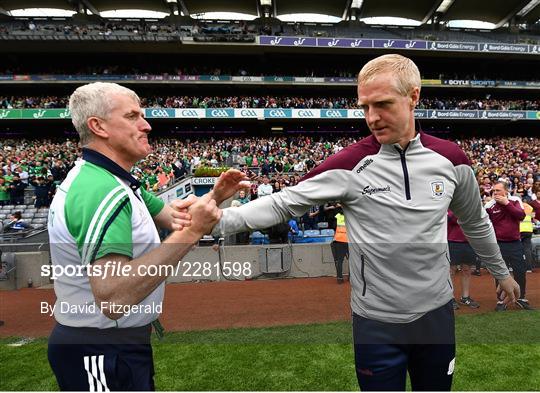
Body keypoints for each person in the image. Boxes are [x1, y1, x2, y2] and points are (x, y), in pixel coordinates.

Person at [210, 54, 519, 391]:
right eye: (365, 107)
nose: (372, 118)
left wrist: (501, 272)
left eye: (383, 104)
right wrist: (216, 221)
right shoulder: (349, 164)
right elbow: (284, 204)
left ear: (414, 96)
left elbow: (475, 222)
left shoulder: (452, 159)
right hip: (376, 322)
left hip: (436, 316)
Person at [46, 82, 244, 391]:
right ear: (98, 126)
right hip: (101, 348)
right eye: (132, 116)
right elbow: (113, 297)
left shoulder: (115, 181)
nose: (146, 124)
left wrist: (215, 197)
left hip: (113, 343)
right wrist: (194, 232)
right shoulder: (101, 190)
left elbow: (178, 219)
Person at [485, 181, 533, 311]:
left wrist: (506, 204)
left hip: (515, 243)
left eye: (498, 190)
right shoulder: (489, 205)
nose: (495, 193)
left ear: (506, 191)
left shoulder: (515, 200)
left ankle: (521, 298)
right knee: (500, 273)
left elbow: (521, 216)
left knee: (520, 271)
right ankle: (501, 301)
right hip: (498, 244)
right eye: (493, 191)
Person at [447, 210, 479, 310]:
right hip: (452, 241)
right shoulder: (449, 207)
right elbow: (453, 219)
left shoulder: (469, 206)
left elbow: (475, 220)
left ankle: (465, 297)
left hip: (469, 241)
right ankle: (450, 298)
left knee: (467, 270)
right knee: (451, 270)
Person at [331, 210, 348, 284]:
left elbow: (333, 225)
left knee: (339, 261)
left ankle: (339, 278)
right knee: (352, 261)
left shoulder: (338, 217)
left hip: (338, 240)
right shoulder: (349, 218)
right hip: (347, 240)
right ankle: (352, 277)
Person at [520, 197, 535, 273]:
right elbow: (533, 218)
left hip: (519, 229)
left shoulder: (518, 206)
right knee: (527, 248)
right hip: (528, 229)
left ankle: (517, 266)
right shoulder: (530, 207)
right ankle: (529, 268)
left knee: (517, 248)